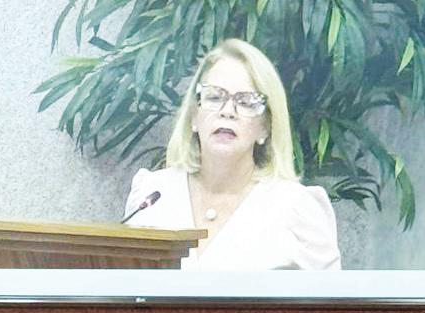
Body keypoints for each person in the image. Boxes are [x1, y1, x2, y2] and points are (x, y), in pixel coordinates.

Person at [122, 39, 341, 271]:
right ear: (194, 116)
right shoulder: (152, 195)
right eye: (215, 97)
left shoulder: (296, 207)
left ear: (265, 127)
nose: (227, 112)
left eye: (246, 102)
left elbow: (330, 294)